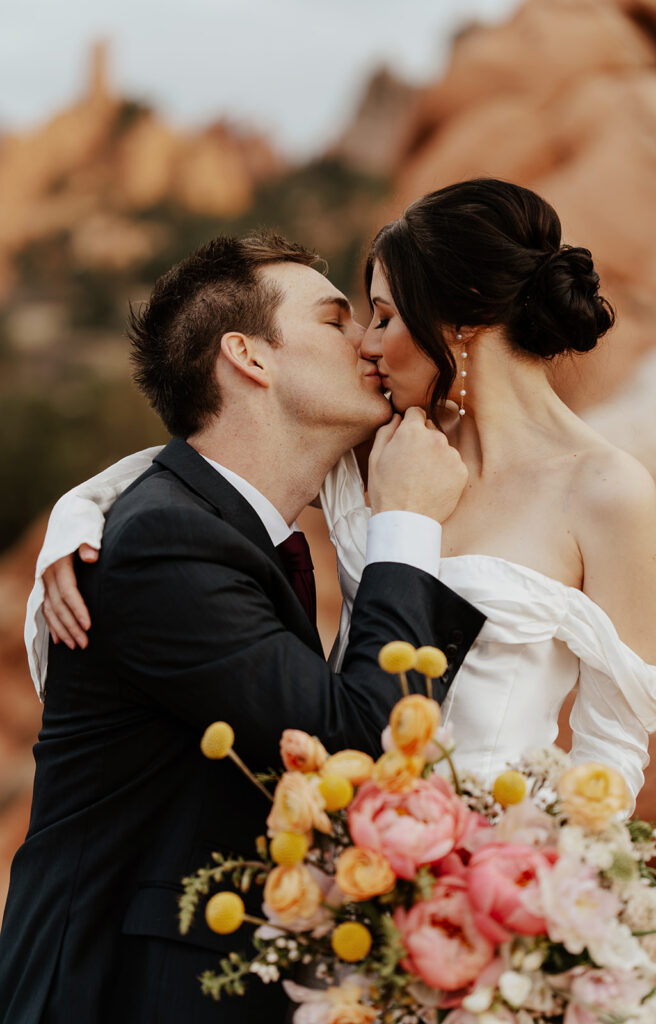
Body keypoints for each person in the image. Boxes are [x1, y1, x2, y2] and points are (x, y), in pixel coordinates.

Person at [29, 179, 656, 800]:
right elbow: (215, 465)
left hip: (502, 873)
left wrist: (537, 886)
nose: (366, 345)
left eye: (383, 316)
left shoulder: (606, 491)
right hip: (343, 858)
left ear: (462, 316)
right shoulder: (381, 453)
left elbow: (611, 753)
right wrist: (79, 508)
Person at [0, 233, 485, 1024]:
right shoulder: (166, 542)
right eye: (335, 321)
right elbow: (357, 747)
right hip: (114, 995)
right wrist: (404, 524)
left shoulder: (195, 521)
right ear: (248, 358)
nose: (367, 343)